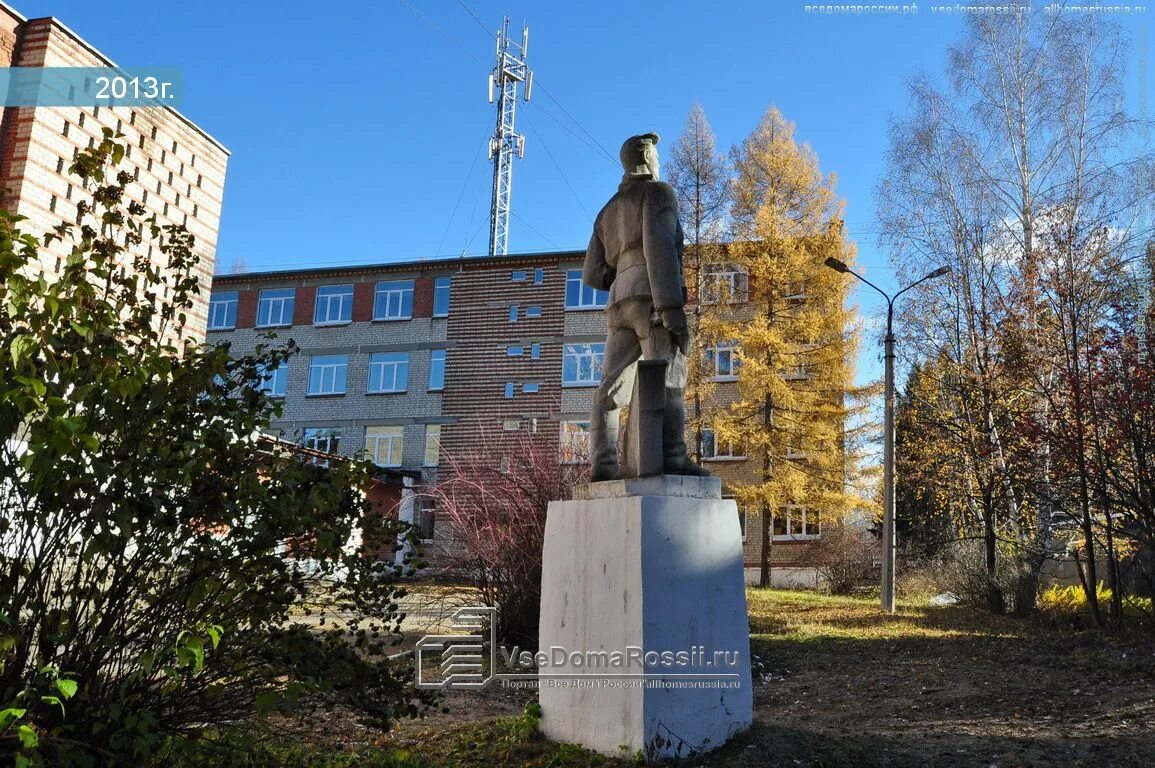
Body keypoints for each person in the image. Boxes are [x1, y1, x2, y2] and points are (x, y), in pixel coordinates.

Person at [583, 132, 709, 481]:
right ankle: (673, 456)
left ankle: (603, 465)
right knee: (669, 375)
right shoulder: (658, 192)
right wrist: (670, 307)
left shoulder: (607, 211)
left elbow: (592, 273)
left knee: (610, 387)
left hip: (618, 304)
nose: (658, 161)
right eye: (655, 155)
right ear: (647, 160)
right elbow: (659, 247)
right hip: (652, 299)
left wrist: (622, 275)